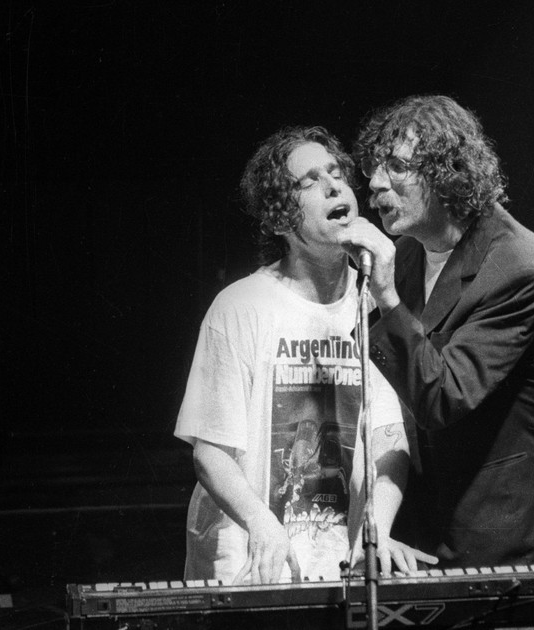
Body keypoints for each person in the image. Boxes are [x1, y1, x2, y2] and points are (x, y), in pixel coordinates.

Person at [339, 95, 534, 570]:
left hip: (522, 541)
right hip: (440, 534)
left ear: (448, 174)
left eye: (397, 166)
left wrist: (386, 296)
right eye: (375, 167)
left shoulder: (518, 266)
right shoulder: (411, 255)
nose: (374, 183)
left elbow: (444, 397)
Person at [174, 126, 435, 584]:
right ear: (280, 219)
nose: (334, 187)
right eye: (309, 181)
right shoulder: (240, 307)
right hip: (248, 565)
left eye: (336, 173)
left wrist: (375, 528)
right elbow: (211, 453)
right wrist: (261, 524)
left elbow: (389, 439)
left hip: (339, 568)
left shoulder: (374, 307)